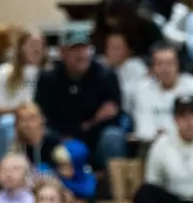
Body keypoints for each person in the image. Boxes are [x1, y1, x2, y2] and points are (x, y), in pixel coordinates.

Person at [36, 29, 128, 167]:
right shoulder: (48, 79)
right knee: (42, 134)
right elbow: (44, 115)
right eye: (74, 49)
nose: (80, 54)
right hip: (60, 137)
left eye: (84, 49)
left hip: (96, 138)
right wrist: (87, 123)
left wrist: (88, 126)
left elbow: (113, 114)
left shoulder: (106, 76)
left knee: (113, 136)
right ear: (62, 53)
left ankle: (114, 178)